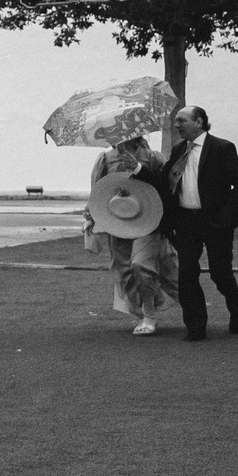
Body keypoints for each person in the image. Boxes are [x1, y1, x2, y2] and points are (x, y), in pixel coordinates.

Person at [160, 105, 238, 341]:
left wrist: (227, 217)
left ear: (199, 122)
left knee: (220, 274)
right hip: (187, 222)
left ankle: (235, 304)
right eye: (176, 121)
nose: (176, 125)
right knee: (187, 274)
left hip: (216, 223)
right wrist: (138, 170)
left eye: (182, 120)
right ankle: (196, 327)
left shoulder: (221, 148)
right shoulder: (178, 150)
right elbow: (165, 182)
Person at [86, 133, 177, 337]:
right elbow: (98, 192)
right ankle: (140, 313)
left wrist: (138, 168)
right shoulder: (106, 158)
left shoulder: (153, 157)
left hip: (148, 219)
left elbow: (165, 187)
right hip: (118, 220)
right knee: (125, 271)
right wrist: (89, 218)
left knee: (142, 265)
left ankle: (149, 316)